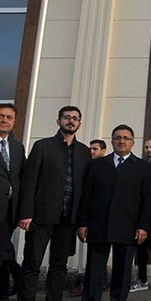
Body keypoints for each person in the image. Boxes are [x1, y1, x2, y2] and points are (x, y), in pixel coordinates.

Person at [17, 106, 91, 301]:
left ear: (79, 123)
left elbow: (85, 189)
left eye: (75, 118)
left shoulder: (84, 152)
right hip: (41, 216)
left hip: (68, 218)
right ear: (59, 121)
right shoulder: (42, 146)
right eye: (67, 117)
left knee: (59, 266)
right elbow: (29, 181)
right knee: (32, 263)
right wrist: (26, 213)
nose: (71, 121)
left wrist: (82, 221)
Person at [77, 124, 151, 301]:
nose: (121, 141)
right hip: (99, 225)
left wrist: (143, 226)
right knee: (94, 270)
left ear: (133, 142)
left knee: (123, 271)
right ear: (111, 141)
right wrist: (83, 223)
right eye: (118, 138)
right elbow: (86, 196)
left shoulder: (142, 167)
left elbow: (147, 198)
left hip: (128, 226)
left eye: (126, 138)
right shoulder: (97, 165)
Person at [129, 138, 151, 292]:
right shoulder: (141, 164)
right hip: (141, 210)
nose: (149, 150)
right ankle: (142, 279)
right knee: (140, 244)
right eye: (147, 147)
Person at [0, 104, 24, 301]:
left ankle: (4, 290)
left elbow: (21, 177)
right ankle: (18, 275)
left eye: (9, 117)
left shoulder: (17, 147)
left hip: (9, 211)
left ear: (14, 121)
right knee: (4, 248)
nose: (4, 120)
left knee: (3, 249)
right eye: (1, 116)